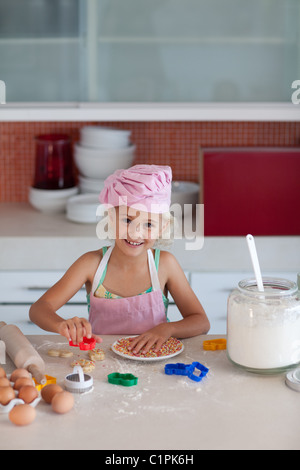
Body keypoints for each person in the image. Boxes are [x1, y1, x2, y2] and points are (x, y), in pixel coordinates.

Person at [29, 164, 210, 354]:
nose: (135, 232)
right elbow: (38, 309)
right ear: (111, 218)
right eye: (127, 220)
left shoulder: (165, 265)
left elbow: (200, 321)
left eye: (149, 224)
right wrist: (62, 325)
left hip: (155, 367)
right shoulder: (91, 264)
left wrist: (168, 328)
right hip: (101, 365)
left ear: (162, 227)